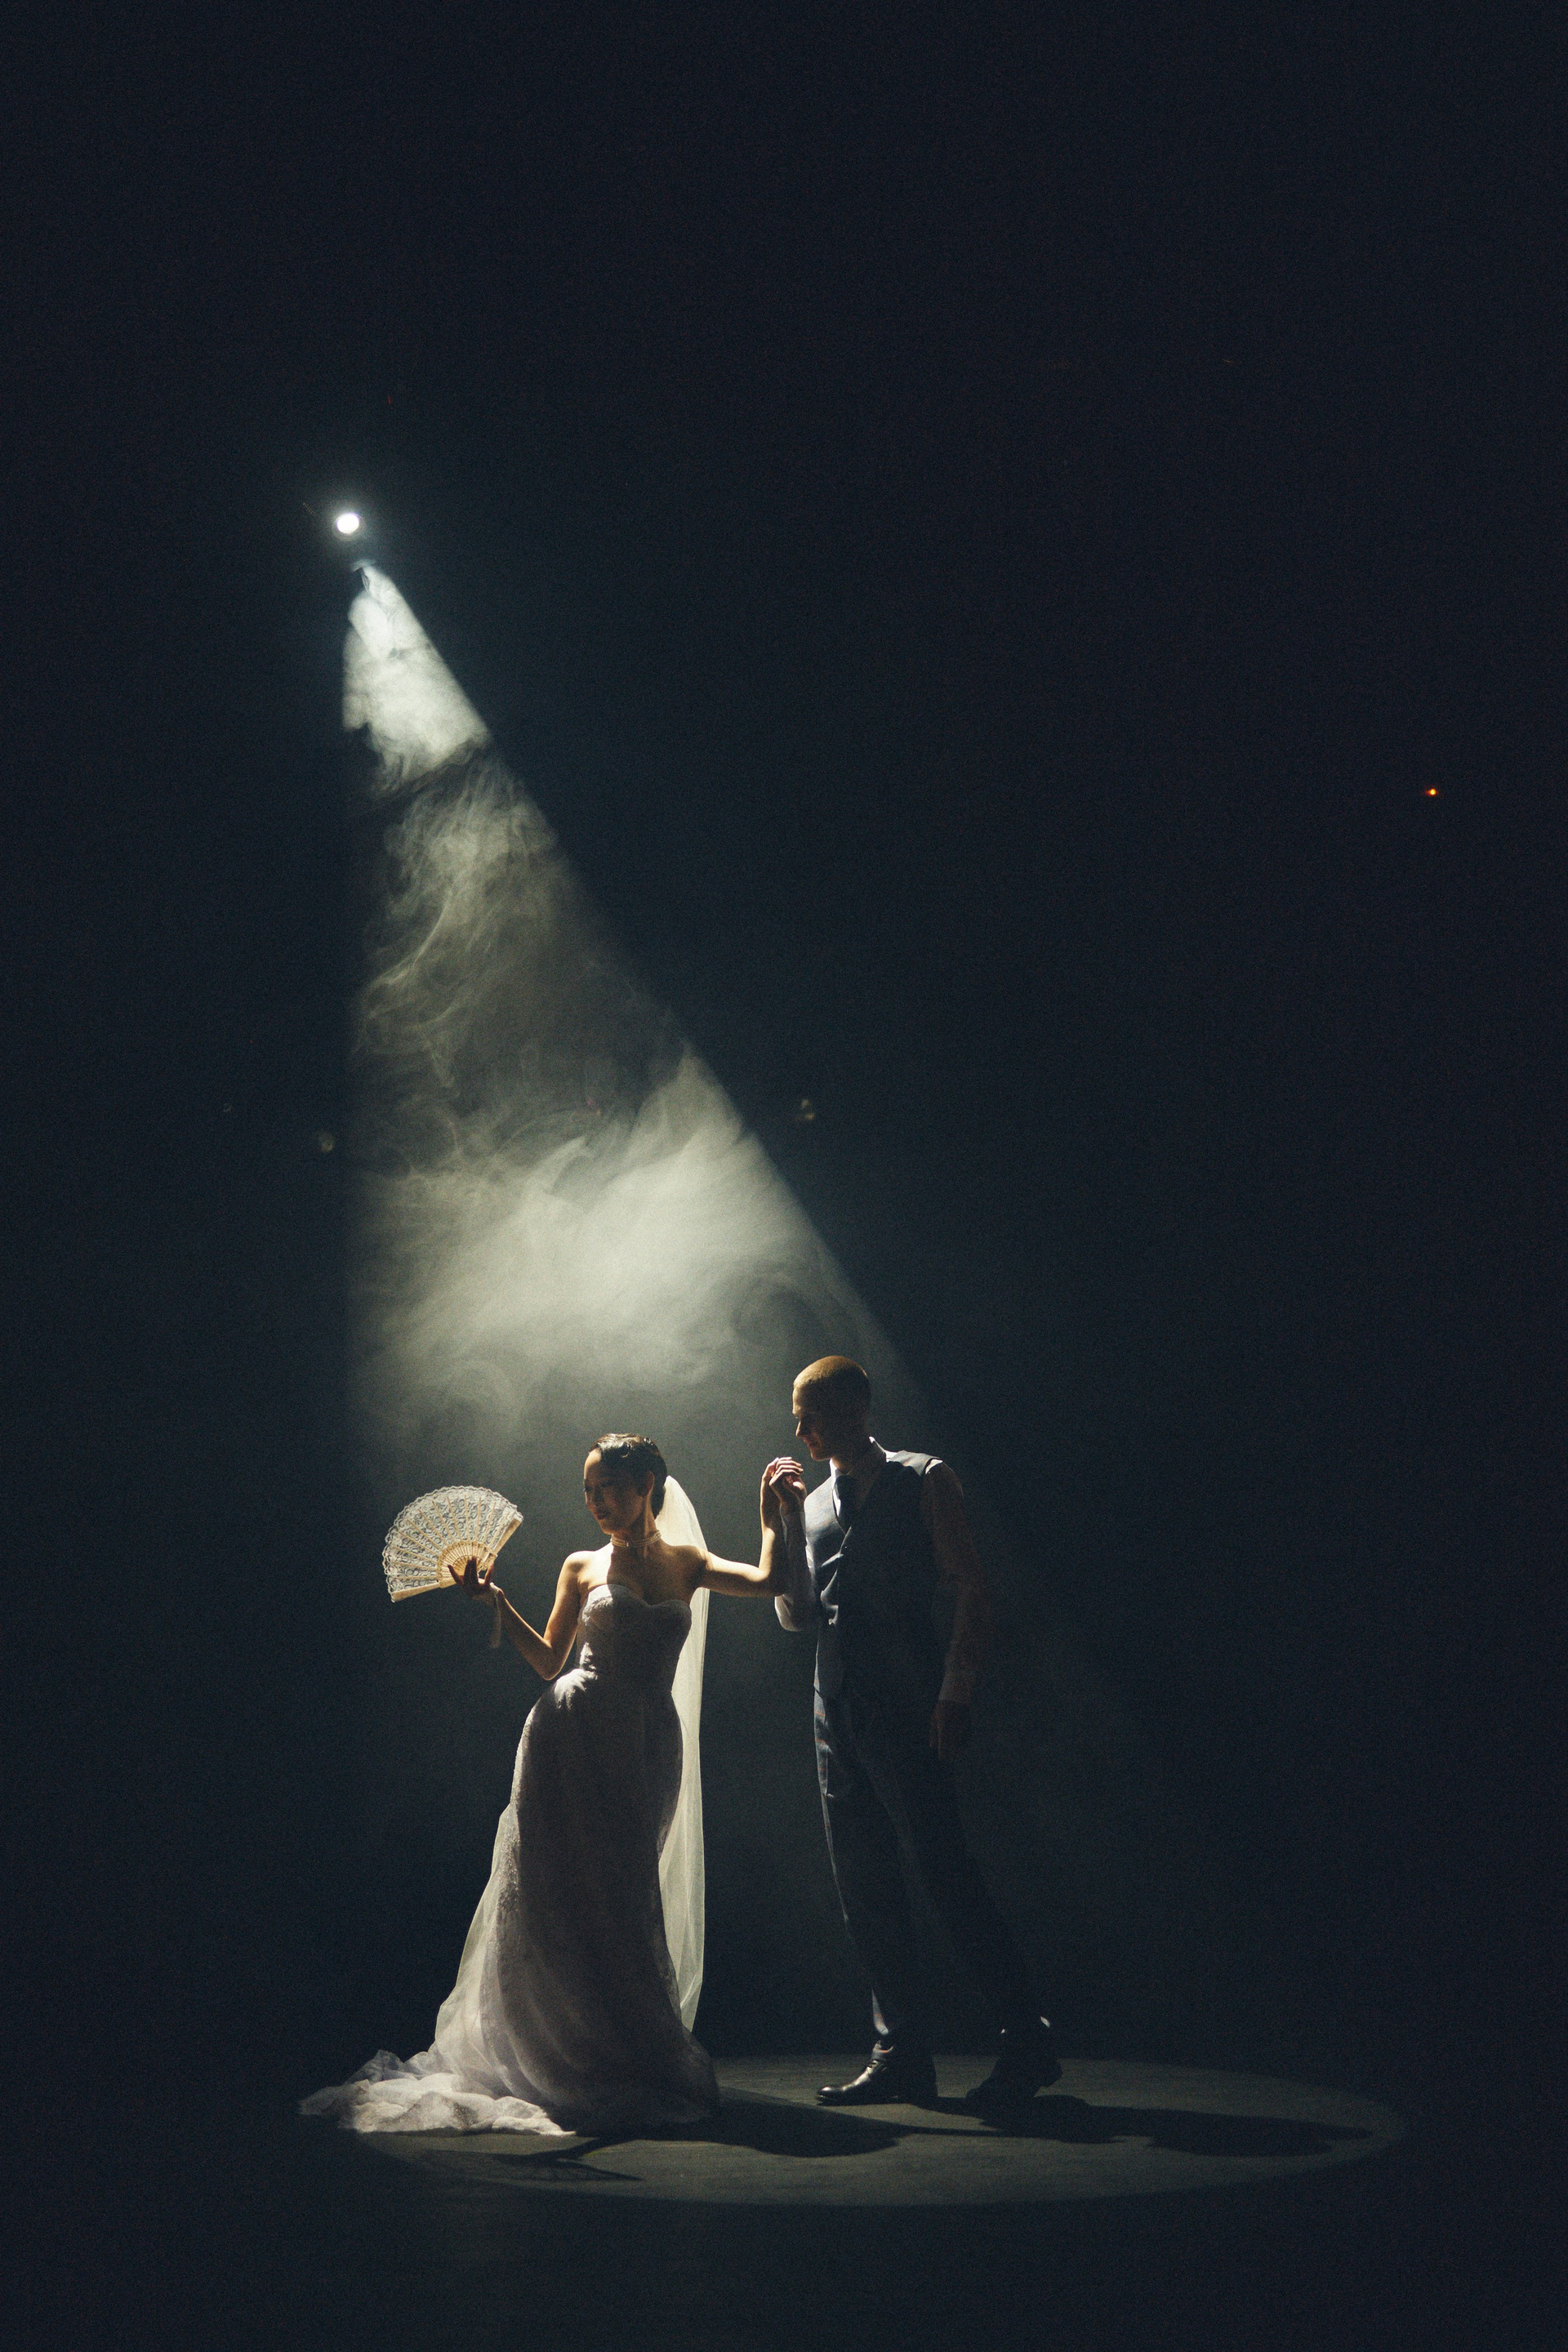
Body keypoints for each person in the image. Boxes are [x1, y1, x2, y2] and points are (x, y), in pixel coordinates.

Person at [304, 1435, 804, 2136]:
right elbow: (548, 1661)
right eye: (588, 1491)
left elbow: (772, 1582)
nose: (595, 1502)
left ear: (647, 1485)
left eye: (608, 1488)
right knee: (560, 1889)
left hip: (648, 1743)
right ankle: (553, 2052)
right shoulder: (582, 1564)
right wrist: (497, 1601)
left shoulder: (687, 1561)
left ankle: (620, 2047)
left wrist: (770, 1514)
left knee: (626, 1892)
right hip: (572, 1734)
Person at [773, 1356, 1060, 2113]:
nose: (800, 1431)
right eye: (797, 1416)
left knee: (945, 1872)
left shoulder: (924, 1477)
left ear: (855, 1409)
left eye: (810, 1415)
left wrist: (955, 1689)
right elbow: (798, 1616)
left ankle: (1025, 2040)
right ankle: (900, 2053)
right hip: (834, 1708)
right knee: (864, 1886)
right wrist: (781, 1524)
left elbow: (971, 1587)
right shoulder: (813, 1504)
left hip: (908, 1704)